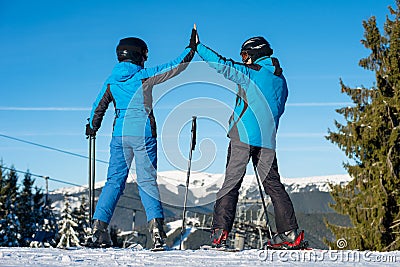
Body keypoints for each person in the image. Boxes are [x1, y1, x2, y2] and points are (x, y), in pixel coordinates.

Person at [85, 27, 197, 249]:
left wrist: (92, 126)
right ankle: (156, 232)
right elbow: (175, 67)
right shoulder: (143, 76)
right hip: (144, 135)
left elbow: (99, 106)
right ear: (139, 55)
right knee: (146, 182)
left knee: (113, 183)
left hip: (119, 136)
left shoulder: (111, 81)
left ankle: (98, 230)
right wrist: (191, 48)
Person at [194, 33, 305, 249]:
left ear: (255, 53)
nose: (243, 58)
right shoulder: (281, 81)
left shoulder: (251, 73)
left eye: (245, 54)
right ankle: (289, 234)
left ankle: (220, 234)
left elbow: (222, 65)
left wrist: (199, 47)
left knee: (232, 182)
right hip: (268, 140)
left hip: (243, 136)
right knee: (273, 185)